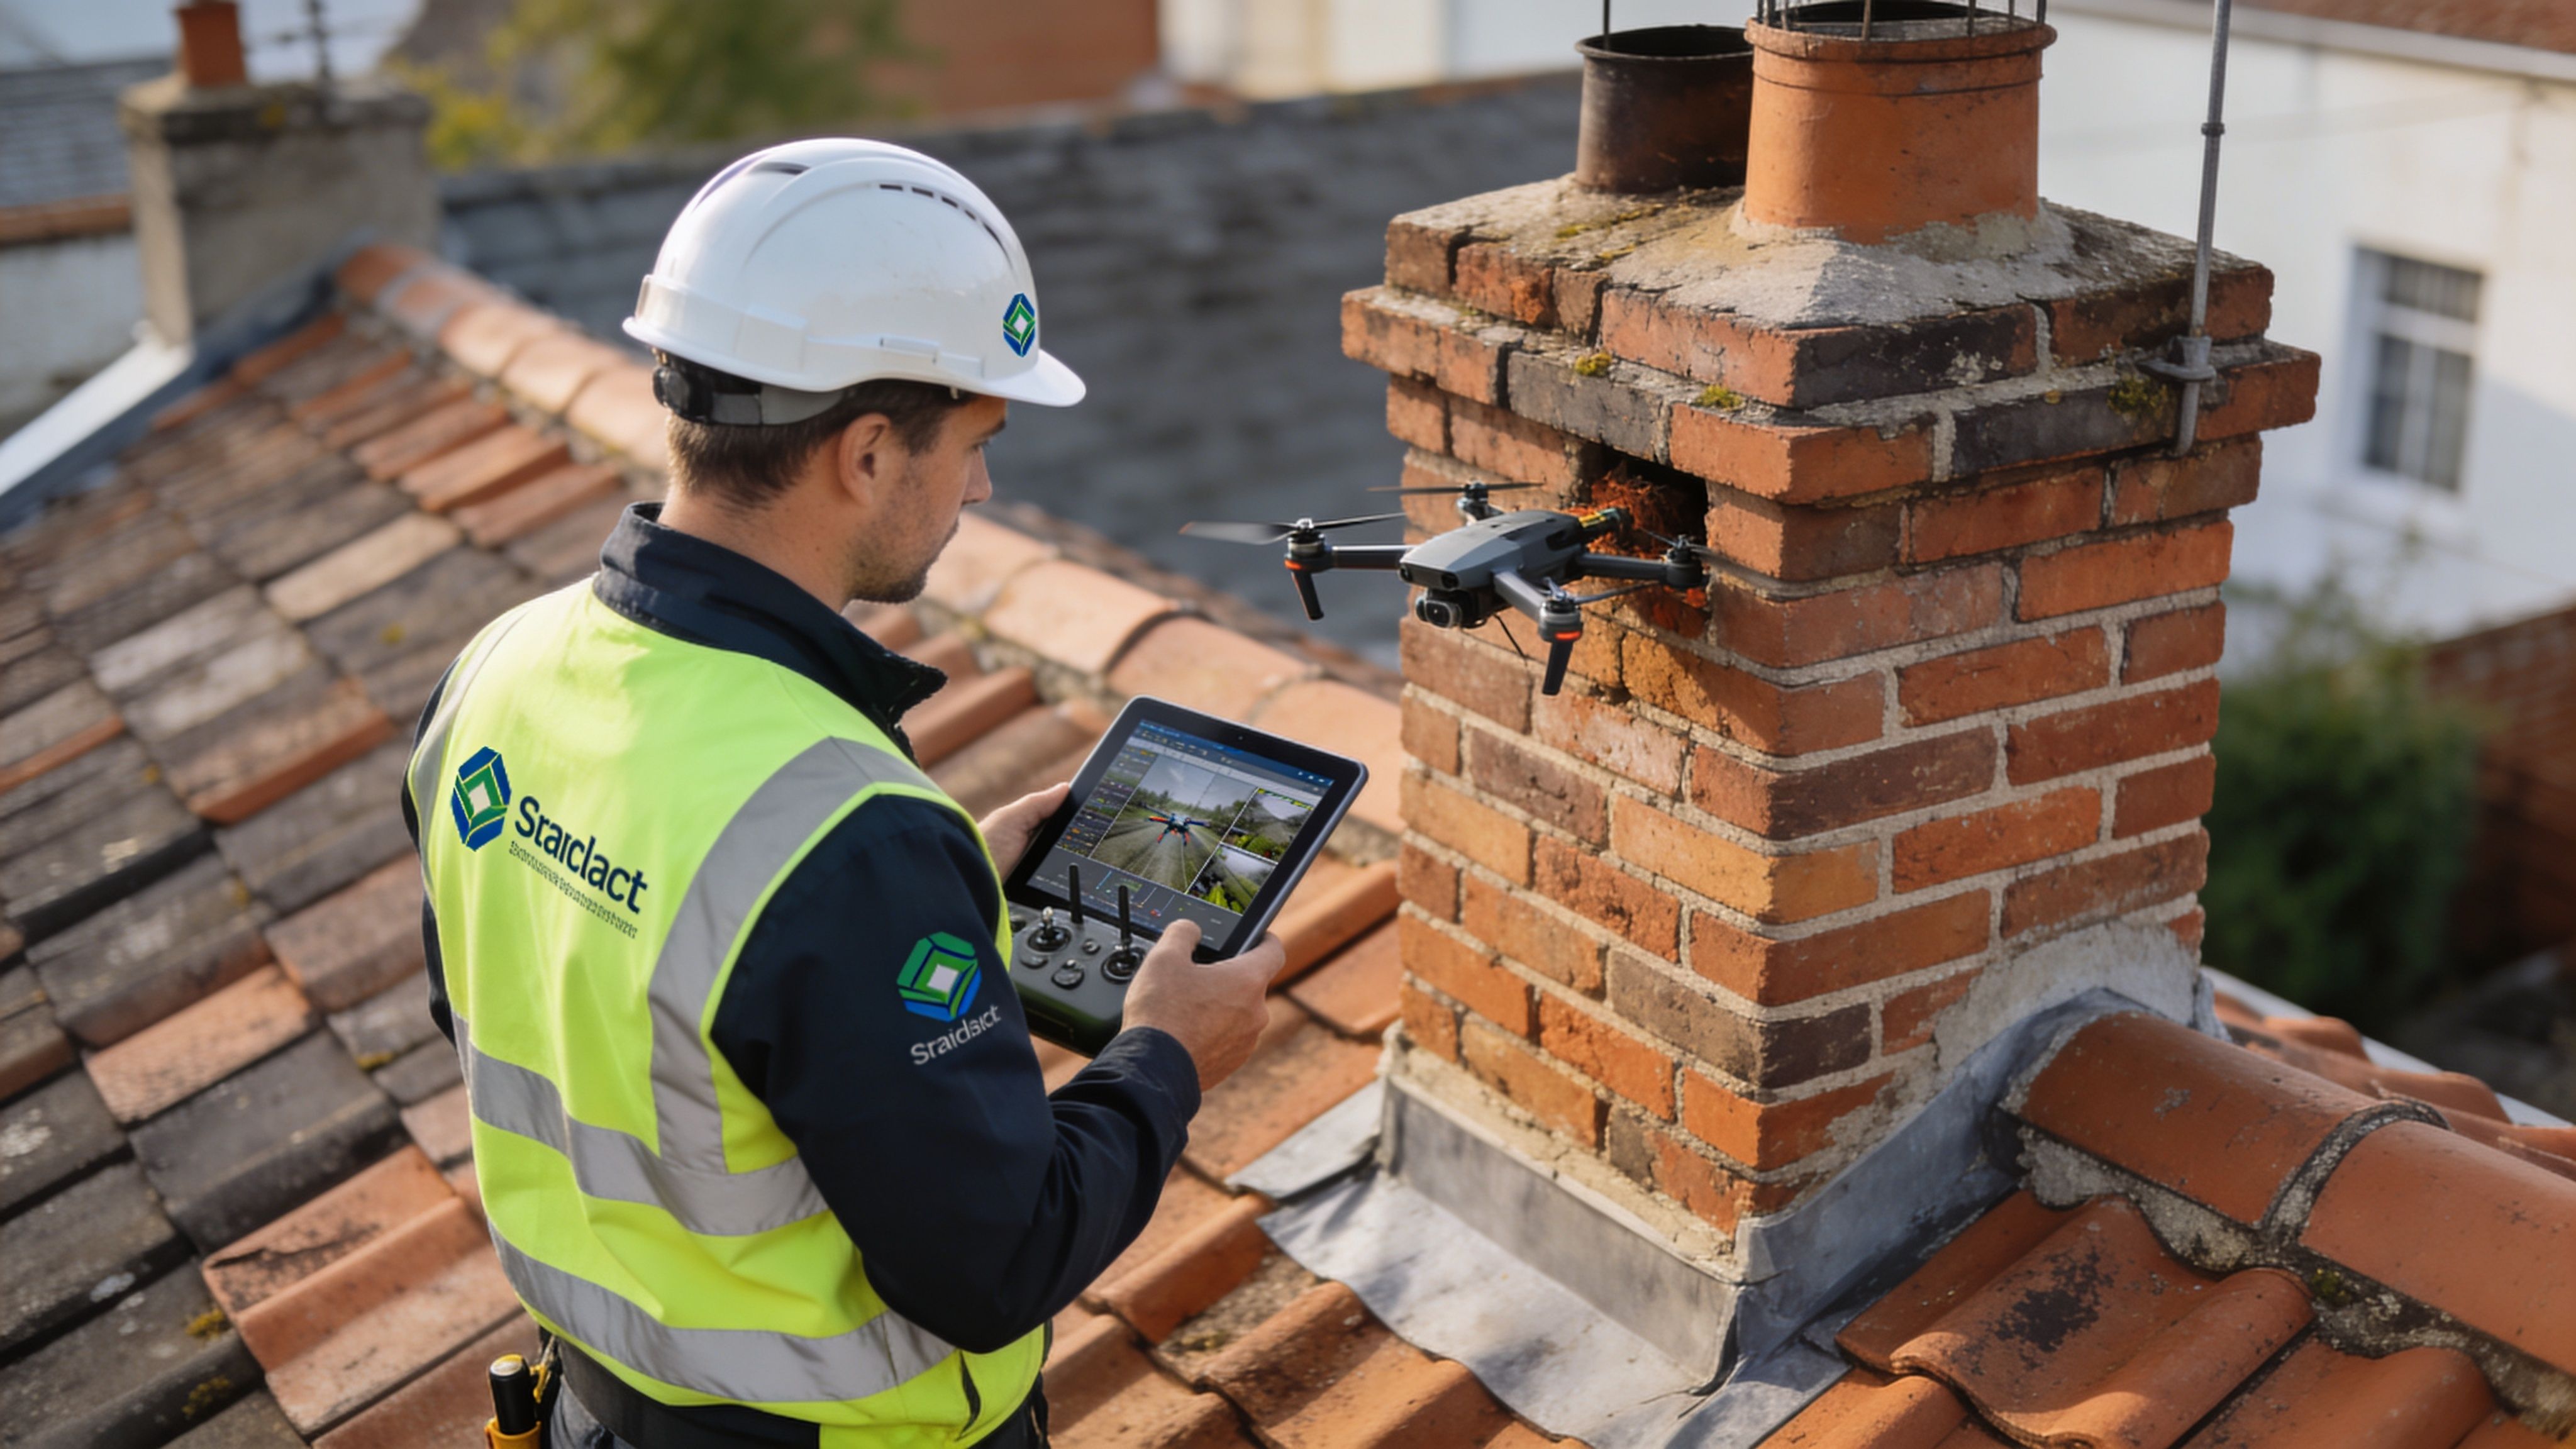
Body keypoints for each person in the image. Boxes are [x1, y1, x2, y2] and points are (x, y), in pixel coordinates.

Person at [402, 139, 1280, 1448]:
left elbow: (555, 997)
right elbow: (995, 1262)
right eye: (976, 439)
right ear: (868, 452)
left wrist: (938, 887)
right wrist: (1165, 1059)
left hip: (591, 1411)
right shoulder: (845, 842)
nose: (983, 484)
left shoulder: (499, 671)